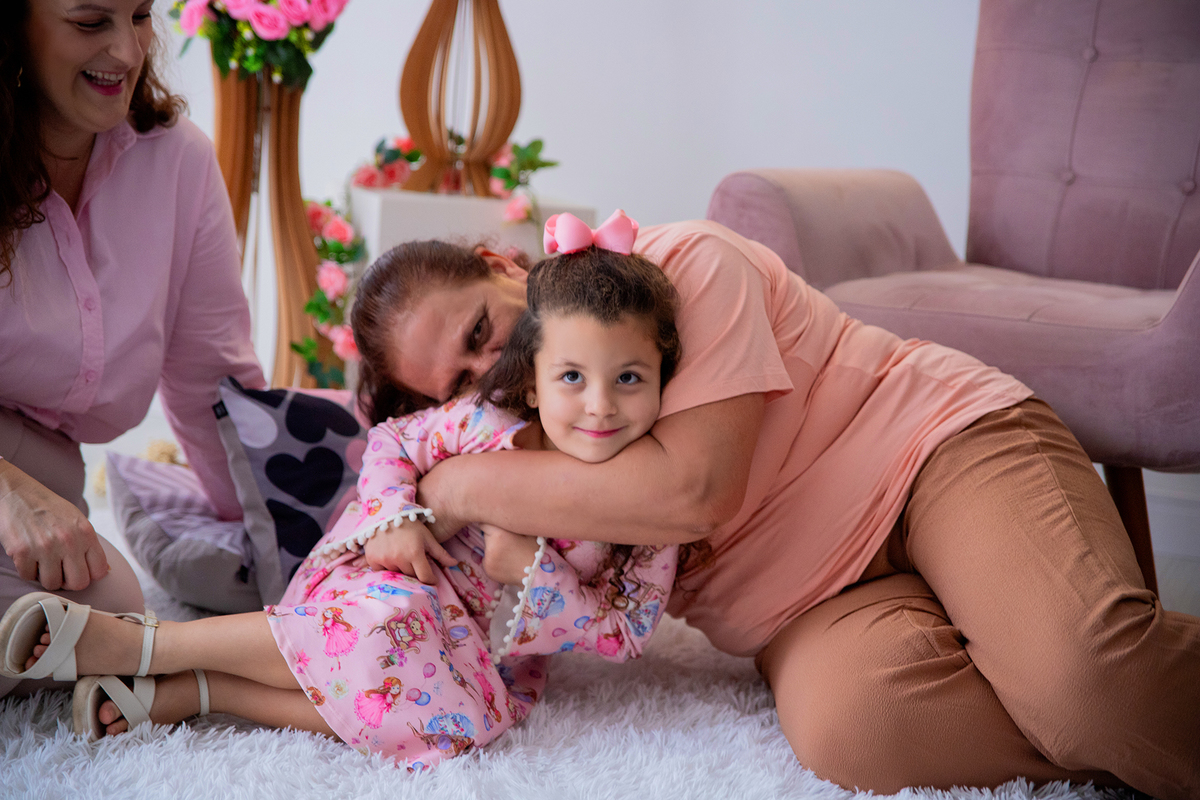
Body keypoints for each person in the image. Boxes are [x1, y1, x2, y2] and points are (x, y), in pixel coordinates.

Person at [337, 218, 1196, 797]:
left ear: (503, 265)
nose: (486, 374)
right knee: (857, 734)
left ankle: (1094, 700)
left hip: (925, 449)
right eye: (455, 384)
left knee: (1090, 681)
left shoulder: (683, 264)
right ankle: (1089, 715)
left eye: (479, 334)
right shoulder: (528, 432)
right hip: (812, 603)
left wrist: (452, 488)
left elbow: (693, 494)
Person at [0, 211, 682, 769]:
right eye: (571, 378)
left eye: (627, 379)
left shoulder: (652, 504)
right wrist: (395, 516)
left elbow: (626, 629)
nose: (599, 405)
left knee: (452, 722)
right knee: (387, 626)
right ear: (533, 387)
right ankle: (151, 647)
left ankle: (200, 691)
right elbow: (393, 443)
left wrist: (534, 572)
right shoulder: (484, 416)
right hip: (381, 586)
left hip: (473, 652)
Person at [0, 0, 265, 701]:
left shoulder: (178, 161)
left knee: (109, 608)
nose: (126, 50)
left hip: (49, 479)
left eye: (141, 15)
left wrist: (287, 547)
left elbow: (213, 382)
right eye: (91, 22)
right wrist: (8, 493)